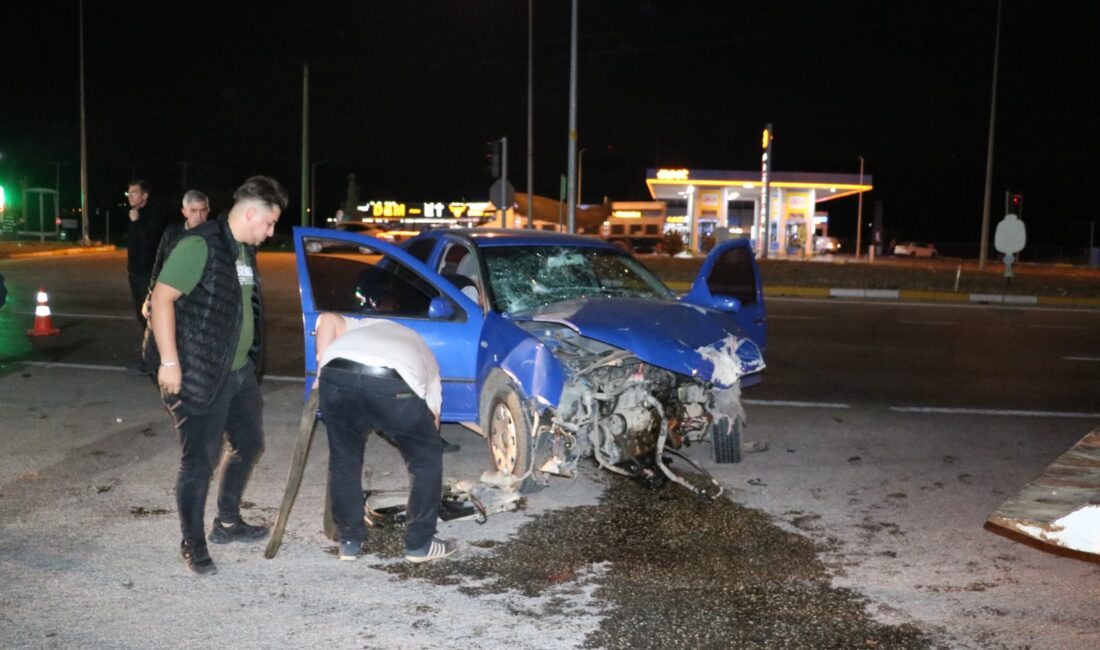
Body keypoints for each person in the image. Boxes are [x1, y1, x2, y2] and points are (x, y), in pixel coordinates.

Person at [144, 175, 287, 576]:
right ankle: (192, 544)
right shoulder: (200, 244)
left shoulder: (242, 250)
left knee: (250, 443)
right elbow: (161, 299)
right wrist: (169, 362)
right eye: (270, 223)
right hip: (199, 371)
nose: (271, 232)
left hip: (238, 370)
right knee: (198, 462)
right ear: (252, 212)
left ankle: (227, 522)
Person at [313, 311, 457, 564]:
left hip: (336, 375)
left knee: (344, 459)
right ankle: (419, 545)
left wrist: (319, 369)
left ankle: (349, 542)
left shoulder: (363, 325)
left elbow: (326, 319)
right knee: (426, 459)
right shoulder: (429, 360)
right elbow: (431, 423)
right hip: (391, 382)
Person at [141, 190, 210, 320]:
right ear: (184, 211)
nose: (199, 215)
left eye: (203, 210)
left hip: (200, 304)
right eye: (193, 210)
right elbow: (159, 264)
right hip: (171, 299)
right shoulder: (172, 233)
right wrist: (150, 296)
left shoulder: (214, 236)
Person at [125, 180, 164, 333]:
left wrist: (137, 222)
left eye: (134, 192)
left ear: (144, 195)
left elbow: (150, 241)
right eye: (129, 192)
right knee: (139, 313)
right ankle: (147, 342)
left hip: (147, 272)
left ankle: (155, 345)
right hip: (134, 271)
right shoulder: (135, 213)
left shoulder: (152, 215)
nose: (130, 196)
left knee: (149, 311)